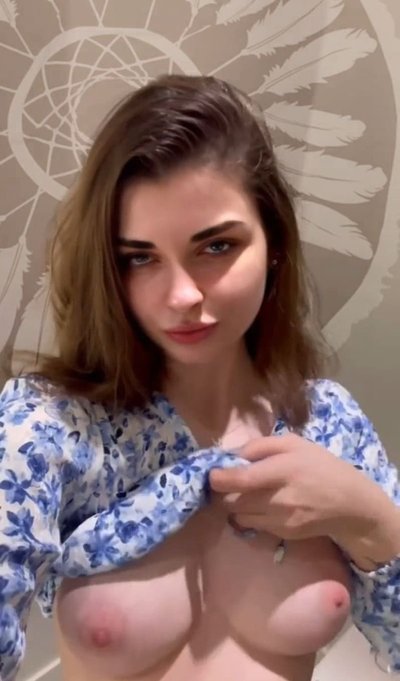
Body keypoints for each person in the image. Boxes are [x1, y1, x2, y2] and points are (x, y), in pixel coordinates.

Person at [0, 74, 399, 681]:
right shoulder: (51, 427)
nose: (182, 295)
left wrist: (369, 520)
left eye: (216, 247)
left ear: (273, 244)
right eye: (140, 258)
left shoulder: (329, 423)